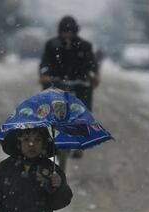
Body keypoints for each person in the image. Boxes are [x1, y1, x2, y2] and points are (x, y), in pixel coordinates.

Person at [39, 16, 99, 159]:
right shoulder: (51, 45)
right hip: (57, 83)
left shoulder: (85, 46)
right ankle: (50, 139)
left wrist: (93, 75)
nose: (68, 34)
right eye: (65, 31)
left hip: (79, 84)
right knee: (50, 112)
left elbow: (92, 65)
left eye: (70, 31)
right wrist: (45, 75)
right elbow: (44, 64)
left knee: (81, 112)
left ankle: (80, 141)